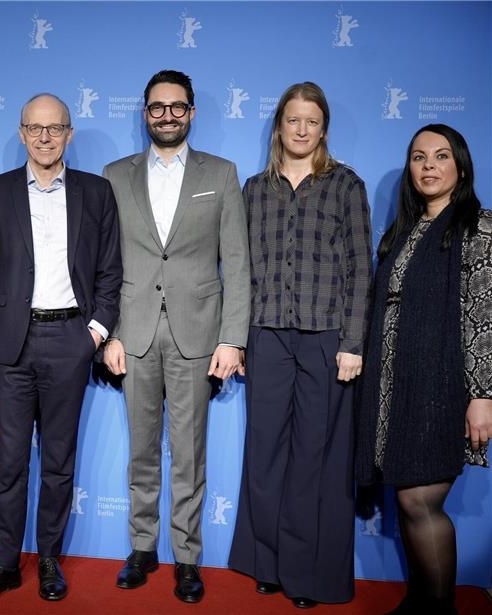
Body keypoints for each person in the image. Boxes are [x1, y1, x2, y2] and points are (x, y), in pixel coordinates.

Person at [0, 93, 121, 605]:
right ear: (22, 132)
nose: (45, 136)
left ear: (69, 134)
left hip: (70, 340)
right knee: (9, 462)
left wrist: (94, 333)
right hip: (12, 344)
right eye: (35, 128)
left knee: (58, 462)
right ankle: (8, 564)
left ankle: (49, 558)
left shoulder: (97, 193)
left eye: (55, 128)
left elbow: (110, 273)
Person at [102, 69, 251, 604]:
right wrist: (110, 334)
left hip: (198, 335)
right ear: (145, 113)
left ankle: (187, 557)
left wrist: (233, 338)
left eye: (177, 106)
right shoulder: (114, 175)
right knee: (141, 452)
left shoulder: (223, 173)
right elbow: (105, 262)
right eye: (157, 107)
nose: (167, 114)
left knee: (189, 455)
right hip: (134, 333)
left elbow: (237, 261)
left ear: (191, 112)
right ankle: (142, 549)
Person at [228, 82, 373, 608]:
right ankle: (266, 564)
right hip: (265, 335)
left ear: (323, 128)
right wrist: (237, 340)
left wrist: (353, 342)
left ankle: (305, 572)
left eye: (313, 121)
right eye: (294, 119)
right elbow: (239, 274)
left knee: (313, 457)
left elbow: (361, 271)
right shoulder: (253, 189)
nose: (303, 129)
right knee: (264, 453)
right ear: (279, 125)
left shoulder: (345, 186)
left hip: (325, 338)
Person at [356, 124, 491, 615]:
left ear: (460, 166)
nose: (428, 166)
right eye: (418, 157)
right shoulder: (403, 232)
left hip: (443, 386)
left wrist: (483, 395)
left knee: (420, 502)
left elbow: (483, 314)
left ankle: (439, 608)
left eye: (440, 156)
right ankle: (420, 601)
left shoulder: (479, 225)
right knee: (408, 500)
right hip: (398, 383)